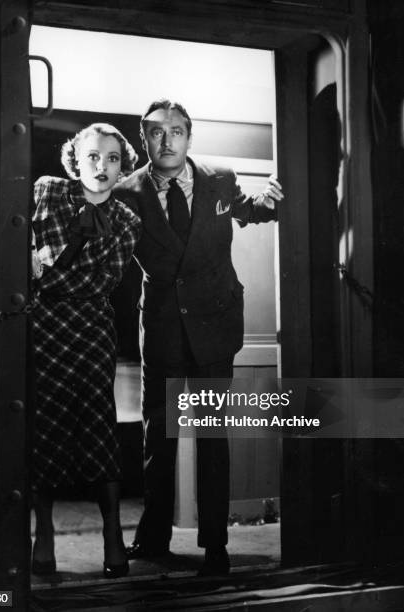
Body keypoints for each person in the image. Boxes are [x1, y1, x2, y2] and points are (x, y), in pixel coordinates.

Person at [114, 99, 284, 576]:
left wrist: (271, 202)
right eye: (155, 132)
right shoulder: (127, 192)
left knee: (212, 437)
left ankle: (215, 545)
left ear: (190, 136)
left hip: (214, 326)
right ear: (143, 137)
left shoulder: (219, 178)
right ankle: (153, 539)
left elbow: (252, 212)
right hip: (164, 330)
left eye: (175, 131)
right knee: (158, 440)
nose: (165, 141)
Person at [31, 123, 141, 579]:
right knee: (44, 426)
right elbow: (48, 274)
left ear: (122, 166)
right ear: (76, 161)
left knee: (99, 426)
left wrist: (59, 268)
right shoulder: (50, 191)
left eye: (112, 158)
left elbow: (103, 281)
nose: (101, 166)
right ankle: (45, 537)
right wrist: (74, 245)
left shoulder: (129, 221)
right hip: (45, 330)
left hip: (94, 331)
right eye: (93, 157)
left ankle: (112, 536)